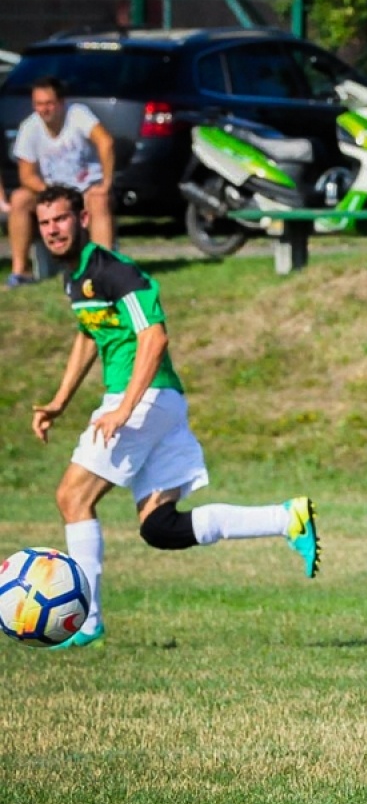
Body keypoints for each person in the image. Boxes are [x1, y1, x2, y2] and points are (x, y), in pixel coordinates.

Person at [28, 186, 322, 649]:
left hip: (143, 399)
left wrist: (124, 408)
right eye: (45, 223)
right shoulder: (75, 280)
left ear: (82, 218)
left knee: (72, 497)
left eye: (61, 220)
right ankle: (286, 519)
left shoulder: (113, 271)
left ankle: (87, 623)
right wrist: (60, 401)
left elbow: (154, 338)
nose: (53, 230)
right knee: (159, 528)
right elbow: (89, 335)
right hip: (154, 402)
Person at [9, 76, 117, 287]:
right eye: (39, 104)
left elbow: (106, 142)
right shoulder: (29, 127)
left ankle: (104, 270)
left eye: (49, 103)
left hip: (86, 189)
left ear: (61, 102)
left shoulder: (77, 115)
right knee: (20, 198)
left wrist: (106, 181)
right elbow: (26, 175)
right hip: (52, 191)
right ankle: (20, 271)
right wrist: (50, 192)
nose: (44, 109)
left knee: (99, 199)